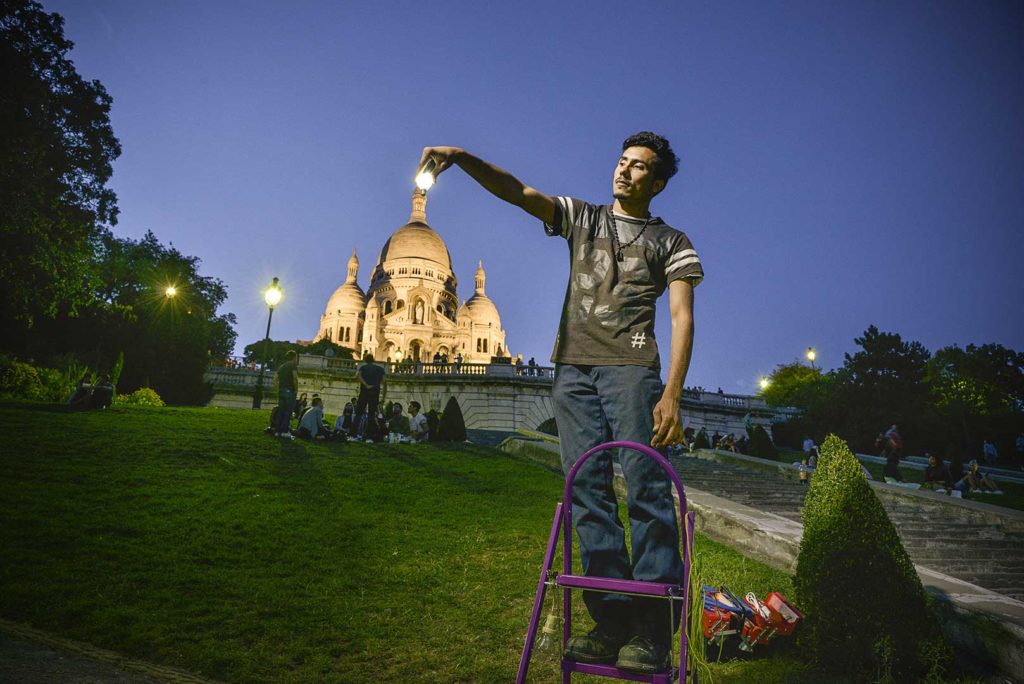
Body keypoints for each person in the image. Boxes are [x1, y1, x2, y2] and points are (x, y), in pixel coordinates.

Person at [418, 131, 702, 674]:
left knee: (645, 490)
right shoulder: (583, 219)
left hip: (633, 371)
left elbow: (682, 317)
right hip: (572, 370)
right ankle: (611, 620)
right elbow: (519, 193)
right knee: (587, 492)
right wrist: (463, 157)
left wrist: (672, 393)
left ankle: (651, 631)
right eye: (622, 162)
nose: (625, 171)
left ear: (658, 182)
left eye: (639, 167)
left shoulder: (673, 240)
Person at [353, 354, 385, 442]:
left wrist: (366, 385)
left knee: (358, 414)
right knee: (371, 415)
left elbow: (358, 376)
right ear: (373, 360)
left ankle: (353, 435)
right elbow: (384, 382)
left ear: (365, 360)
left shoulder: (363, 368)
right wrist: (383, 396)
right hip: (375, 393)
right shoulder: (380, 369)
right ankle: (369, 437)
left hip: (364, 392)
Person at [274, 350, 298, 440]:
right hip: (290, 391)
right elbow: (295, 378)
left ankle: (277, 431)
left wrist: (278, 389)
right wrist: (296, 390)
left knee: (281, 411)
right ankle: (285, 431)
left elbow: (275, 379)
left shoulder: (281, 367)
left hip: (281, 391)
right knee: (288, 411)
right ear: (294, 357)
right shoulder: (293, 365)